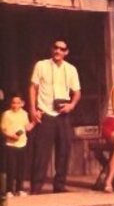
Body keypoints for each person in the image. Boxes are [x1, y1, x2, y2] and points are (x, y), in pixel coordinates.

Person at [28, 37, 81, 194]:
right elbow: (33, 87)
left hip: (62, 114)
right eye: (55, 47)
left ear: (66, 52)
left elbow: (77, 92)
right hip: (45, 112)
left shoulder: (71, 69)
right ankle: (36, 187)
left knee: (64, 149)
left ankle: (59, 185)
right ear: (52, 49)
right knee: (41, 152)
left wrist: (71, 105)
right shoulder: (41, 65)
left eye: (62, 49)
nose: (58, 51)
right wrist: (32, 109)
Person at [2, 94, 33, 196]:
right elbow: (3, 129)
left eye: (17, 103)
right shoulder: (7, 114)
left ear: (22, 104)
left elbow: (27, 128)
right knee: (11, 168)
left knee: (21, 168)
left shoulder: (24, 114)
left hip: (22, 144)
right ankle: (9, 190)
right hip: (10, 145)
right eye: (13, 103)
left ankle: (20, 189)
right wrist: (11, 136)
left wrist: (36, 121)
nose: (15, 105)